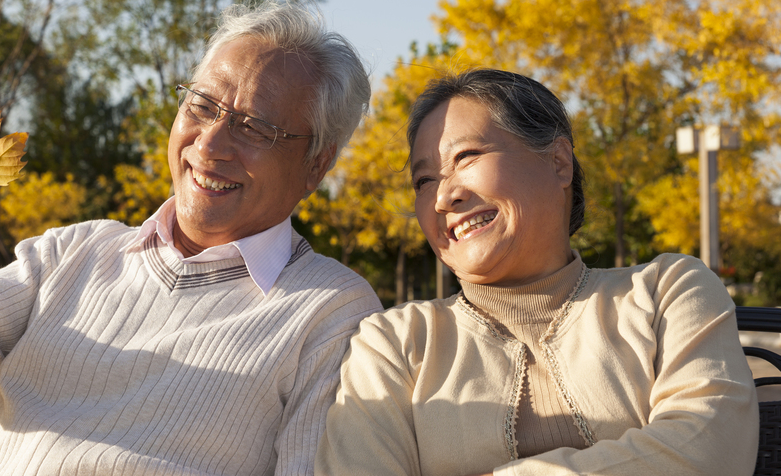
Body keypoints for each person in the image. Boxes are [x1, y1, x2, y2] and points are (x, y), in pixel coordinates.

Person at [0, 1, 383, 475]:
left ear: (316, 164)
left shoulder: (332, 313)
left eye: (253, 127)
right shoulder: (72, 254)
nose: (210, 143)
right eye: (202, 105)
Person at [315, 68, 758, 476]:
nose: (442, 197)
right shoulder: (393, 343)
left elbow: (710, 449)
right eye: (423, 180)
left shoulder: (668, 292)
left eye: (466, 157)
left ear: (559, 162)